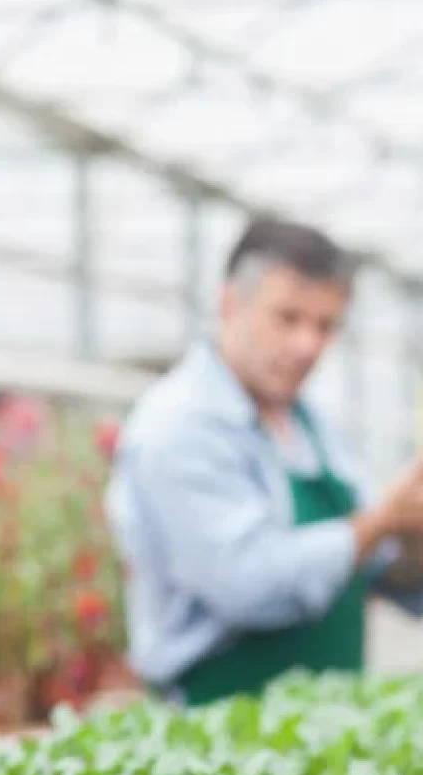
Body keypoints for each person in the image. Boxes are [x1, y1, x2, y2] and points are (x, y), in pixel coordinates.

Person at [106, 216, 423, 706]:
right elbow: (247, 585)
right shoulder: (178, 427)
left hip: (330, 727)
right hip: (215, 736)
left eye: (325, 326)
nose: (308, 346)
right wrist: (380, 522)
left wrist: (408, 533)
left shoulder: (314, 426)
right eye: (288, 318)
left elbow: (373, 563)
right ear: (230, 304)